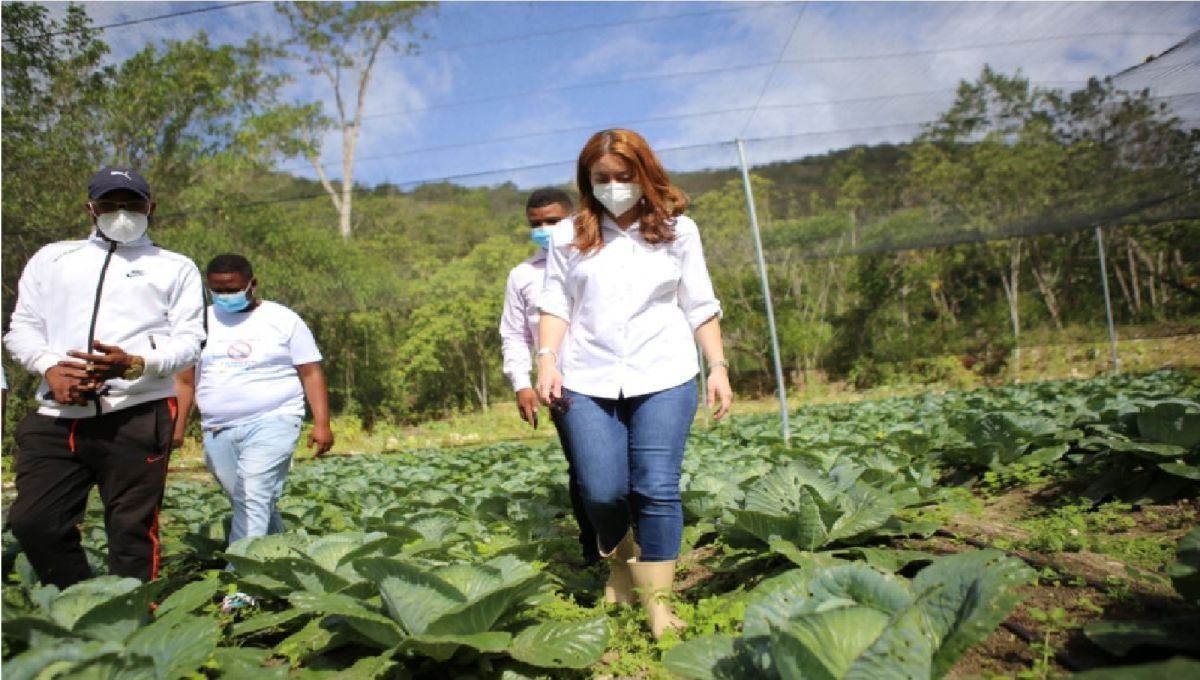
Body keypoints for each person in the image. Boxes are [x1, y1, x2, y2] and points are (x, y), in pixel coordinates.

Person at [536, 128, 733, 638]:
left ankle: (659, 607)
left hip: (664, 372)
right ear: (587, 181)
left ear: (644, 174)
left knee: (657, 488)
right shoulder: (567, 237)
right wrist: (546, 360)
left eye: (625, 176)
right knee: (601, 492)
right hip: (586, 376)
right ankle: (621, 562)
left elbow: (700, 302)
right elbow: (556, 304)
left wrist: (718, 367)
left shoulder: (677, 231)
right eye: (602, 178)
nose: (614, 186)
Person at [5, 167, 206, 588]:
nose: (121, 213)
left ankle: (132, 619)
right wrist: (50, 366)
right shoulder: (53, 258)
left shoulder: (174, 267)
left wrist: (135, 363)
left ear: (150, 208)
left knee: (132, 528)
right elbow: (21, 327)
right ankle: (79, 603)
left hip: (136, 410)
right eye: (110, 204)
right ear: (90, 209)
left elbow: (190, 341)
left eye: (131, 204)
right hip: (58, 412)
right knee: (34, 522)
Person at [173, 254, 333, 549]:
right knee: (249, 500)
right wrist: (177, 427)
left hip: (276, 418)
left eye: (232, 288)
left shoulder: (282, 319)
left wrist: (322, 423)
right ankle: (284, 556)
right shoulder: (199, 324)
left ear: (252, 284)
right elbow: (185, 381)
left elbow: (310, 372)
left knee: (253, 491)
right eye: (217, 290)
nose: (225, 296)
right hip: (218, 427)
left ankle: (242, 582)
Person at [499, 188, 599, 566]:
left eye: (553, 222)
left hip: (614, 375)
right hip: (561, 384)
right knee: (585, 468)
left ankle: (643, 542)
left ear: (575, 217)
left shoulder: (596, 259)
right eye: (535, 224)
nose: (544, 229)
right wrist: (520, 383)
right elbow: (513, 333)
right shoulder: (522, 276)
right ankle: (595, 551)